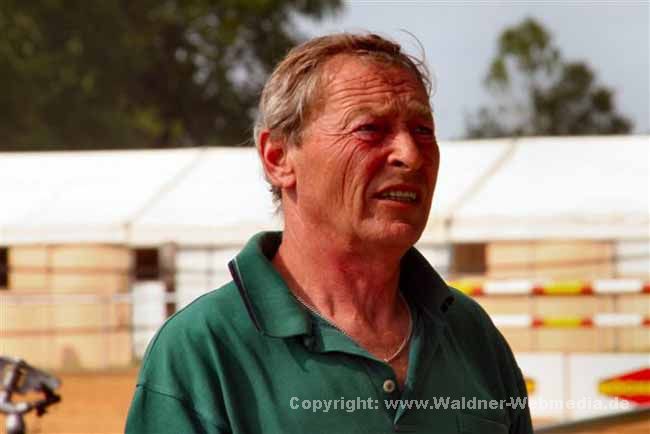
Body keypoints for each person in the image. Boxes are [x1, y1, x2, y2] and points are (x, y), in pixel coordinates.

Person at [125, 33, 533, 434]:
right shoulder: (204, 350)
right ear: (278, 158)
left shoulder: (471, 335)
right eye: (370, 129)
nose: (410, 155)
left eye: (423, 130)